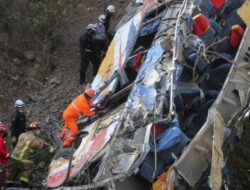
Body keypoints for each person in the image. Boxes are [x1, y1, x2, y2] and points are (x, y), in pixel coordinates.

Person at [6, 121, 55, 187]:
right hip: (23, 159)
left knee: (11, 172)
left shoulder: (22, 135)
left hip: (13, 158)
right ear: (34, 130)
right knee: (29, 168)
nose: (38, 131)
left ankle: (7, 185)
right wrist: (52, 150)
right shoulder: (34, 139)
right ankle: (23, 183)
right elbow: (42, 144)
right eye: (37, 129)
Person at [0, 122, 10, 188]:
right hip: (1, 162)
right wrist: (7, 155)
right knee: (1, 178)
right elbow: (1, 150)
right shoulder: (0, 139)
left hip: (2, 161)